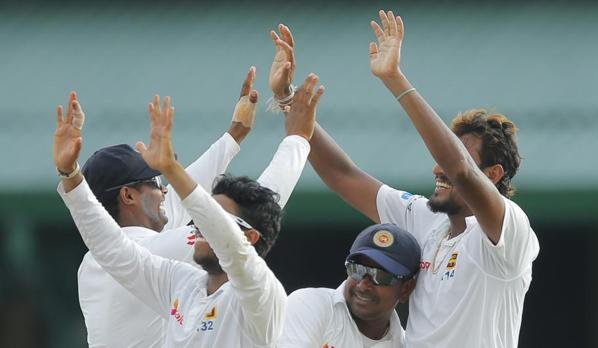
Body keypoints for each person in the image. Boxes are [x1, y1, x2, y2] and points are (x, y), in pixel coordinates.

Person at [272, 11, 540, 348]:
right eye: (439, 160)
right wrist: (287, 99)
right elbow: (344, 176)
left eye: (451, 157)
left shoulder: (510, 232)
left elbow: (460, 170)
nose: (437, 169)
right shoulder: (426, 220)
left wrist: (394, 79)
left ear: (493, 175)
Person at [54, 72, 324, 347]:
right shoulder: (169, 261)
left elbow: (200, 210)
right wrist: (298, 140)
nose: (166, 190)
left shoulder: (94, 262)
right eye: (156, 182)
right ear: (128, 196)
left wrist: (233, 137)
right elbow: (239, 218)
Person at [279, 223, 421, 347]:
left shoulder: (406, 344)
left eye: (380, 276)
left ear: (405, 289)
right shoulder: (309, 304)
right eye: (357, 270)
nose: (363, 286)